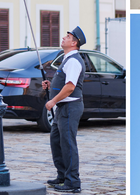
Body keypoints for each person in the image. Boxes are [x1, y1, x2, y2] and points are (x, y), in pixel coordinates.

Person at [41, 26, 87, 193]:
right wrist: (50, 85)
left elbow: (70, 87)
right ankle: (62, 176)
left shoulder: (74, 61)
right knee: (57, 142)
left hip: (69, 107)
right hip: (63, 108)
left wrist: (53, 100)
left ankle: (73, 182)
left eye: (67, 37)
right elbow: (63, 83)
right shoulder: (67, 58)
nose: (64, 38)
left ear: (74, 43)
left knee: (68, 144)